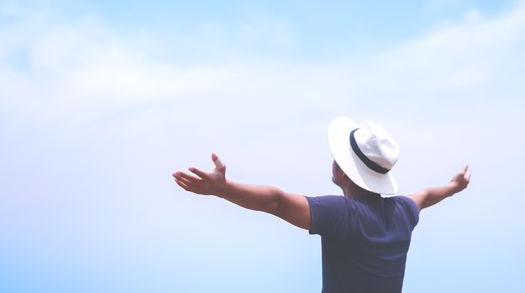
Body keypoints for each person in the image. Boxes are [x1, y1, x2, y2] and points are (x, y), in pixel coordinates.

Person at [172, 116, 471, 293]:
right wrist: (454, 187)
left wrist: (222, 189)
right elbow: (427, 195)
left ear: (343, 169)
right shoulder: (403, 212)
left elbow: (276, 201)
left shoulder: (343, 214)